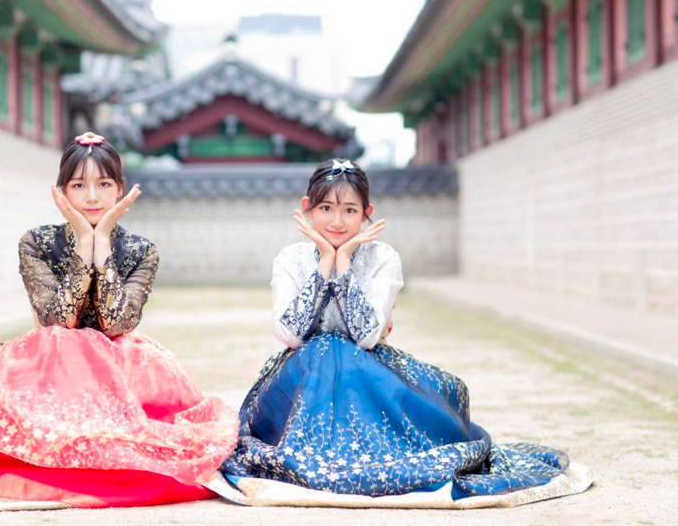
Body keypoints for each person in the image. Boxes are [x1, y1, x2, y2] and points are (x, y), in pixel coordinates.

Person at [213, 158, 591, 508]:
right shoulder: (290, 259)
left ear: (367, 214)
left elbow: (365, 336)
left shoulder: (383, 258)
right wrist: (323, 262)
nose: (337, 222)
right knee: (322, 351)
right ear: (307, 208)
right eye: (326, 208)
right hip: (300, 373)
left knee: (345, 356)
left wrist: (343, 265)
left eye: (350, 210)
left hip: (367, 367)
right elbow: (291, 335)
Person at [0, 132, 239, 511]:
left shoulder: (142, 250)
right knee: (61, 352)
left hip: (124, 363)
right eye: (79, 185)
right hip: (54, 360)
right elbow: (59, 320)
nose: (92, 197)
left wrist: (103, 245)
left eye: (104, 184)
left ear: (120, 189)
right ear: (62, 192)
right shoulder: (36, 242)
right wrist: (81, 247)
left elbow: (116, 323)